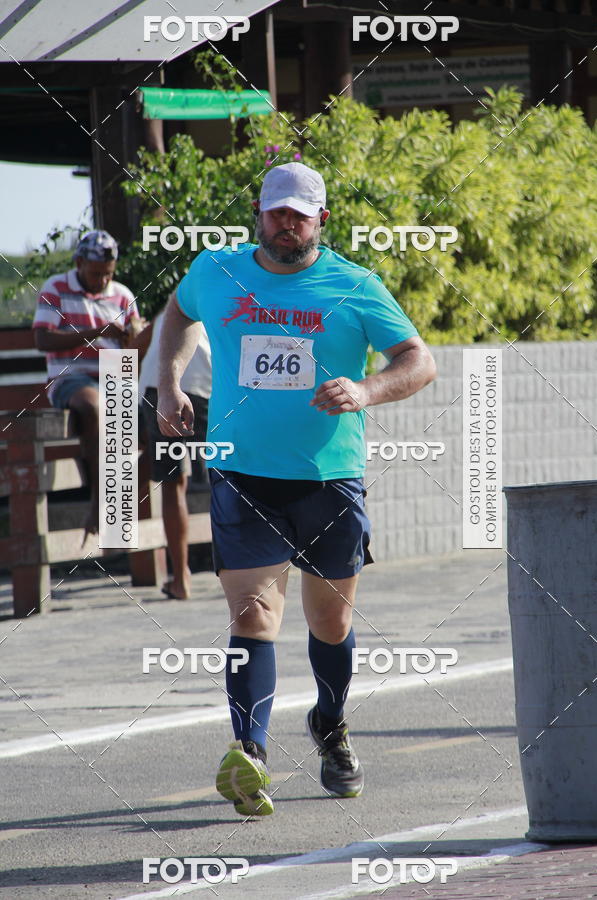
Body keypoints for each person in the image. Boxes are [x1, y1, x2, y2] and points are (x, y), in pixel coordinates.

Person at [157, 162, 437, 817]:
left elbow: (418, 360)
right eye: (276, 211)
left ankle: (331, 726)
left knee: (330, 621)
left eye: (299, 213)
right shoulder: (216, 271)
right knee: (253, 616)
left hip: (328, 477)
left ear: (322, 219)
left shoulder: (355, 285)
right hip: (241, 470)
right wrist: (168, 383)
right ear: (259, 212)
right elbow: (175, 316)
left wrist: (366, 390)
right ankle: (249, 753)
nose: (286, 223)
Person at [32, 230, 142, 542]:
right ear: (79, 263)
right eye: (95, 274)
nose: (102, 281)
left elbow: (134, 347)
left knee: (144, 415)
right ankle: (100, 499)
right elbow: (42, 339)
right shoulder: (56, 288)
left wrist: (134, 335)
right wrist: (94, 333)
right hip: (70, 374)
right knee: (95, 406)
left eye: (108, 274)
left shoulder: (122, 294)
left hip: (117, 372)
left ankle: (116, 512)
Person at [137, 309, 212, 599]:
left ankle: (180, 578)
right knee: (226, 479)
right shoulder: (234, 292)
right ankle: (243, 568)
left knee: (173, 484)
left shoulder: (172, 304)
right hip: (204, 384)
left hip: (161, 387)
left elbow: (134, 347)